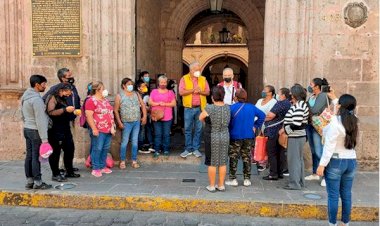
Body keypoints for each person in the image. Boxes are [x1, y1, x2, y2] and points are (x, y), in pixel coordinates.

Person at [316, 94, 358, 226]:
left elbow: (329, 146)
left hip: (335, 160)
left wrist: (322, 165)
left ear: (340, 106)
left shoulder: (335, 121)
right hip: (350, 160)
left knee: (333, 195)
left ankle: (332, 223)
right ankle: (345, 223)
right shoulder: (355, 120)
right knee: (346, 194)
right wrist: (335, 101)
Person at [43, 68, 81, 176]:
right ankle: (56, 173)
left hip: (65, 126)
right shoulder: (53, 96)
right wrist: (65, 110)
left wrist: (76, 110)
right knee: (56, 152)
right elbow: (50, 111)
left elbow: (75, 100)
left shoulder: (67, 93)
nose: (70, 95)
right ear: (62, 90)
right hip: (55, 128)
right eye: (68, 93)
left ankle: (69, 171)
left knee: (69, 148)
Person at [226, 88, 265, 187]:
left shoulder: (231, 108)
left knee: (233, 157)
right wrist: (256, 126)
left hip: (235, 136)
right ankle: (247, 179)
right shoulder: (251, 107)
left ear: (235, 97)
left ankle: (233, 178)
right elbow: (262, 115)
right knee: (247, 157)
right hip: (248, 136)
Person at [21, 75, 52, 189]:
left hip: (27, 129)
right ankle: (38, 182)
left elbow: (22, 114)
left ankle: (30, 181)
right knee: (35, 157)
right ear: (37, 85)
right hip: (35, 131)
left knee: (29, 156)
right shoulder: (37, 100)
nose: (45, 86)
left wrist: (27, 123)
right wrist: (44, 139)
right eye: (43, 84)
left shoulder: (25, 96)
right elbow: (40, 120)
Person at [199, 86, 230, 192]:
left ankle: (212, 186)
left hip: (212, 136)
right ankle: (221, 185)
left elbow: (201, 118)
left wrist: (208, 122)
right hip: (225, 136)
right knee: (222, 161)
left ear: (212, 97)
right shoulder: (228, 107)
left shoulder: (209, 108)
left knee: (212, 162)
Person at [280, 84, 309, 190]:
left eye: (291, 93)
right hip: (298, 136)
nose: (290, 94)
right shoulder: (299, 104)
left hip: (296, 136)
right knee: (298, 160)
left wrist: (285, 130)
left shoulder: (299, 105)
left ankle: (294, 183)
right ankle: (299, 182)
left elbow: (297, 123)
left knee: (293, 160)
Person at [179, 61, 210, 158]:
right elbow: (181, 92)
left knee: (199, 129)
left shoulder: (203, 79)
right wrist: (193, 90)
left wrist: (201, 91)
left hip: (200, 108)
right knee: (187, 129)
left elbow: (208, 92)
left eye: (199, 69)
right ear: (191, 70)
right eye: (197, 69)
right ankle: (188, 148)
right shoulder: (184, 79)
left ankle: (196, 148)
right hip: (188, 108)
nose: (199, 71)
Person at [114, 78, 147, 169]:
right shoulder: (119, 96)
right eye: (128, 84)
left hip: (136, 121)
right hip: (126, 122)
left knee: (135, 141)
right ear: (124, 85)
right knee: (124, 142)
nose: (130, 86)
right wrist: (119, 122)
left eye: (131, 84)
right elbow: (116, 110)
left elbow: (143, 105)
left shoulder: (136, 94)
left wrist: (144, 116)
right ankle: (122, 160)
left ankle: (134, 160)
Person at [85, 81, 115, 177]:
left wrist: (112, 126)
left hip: (108, 129)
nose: (104, 90)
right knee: (97, 148)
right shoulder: (91, 101)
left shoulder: (104, 100)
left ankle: (102, 166)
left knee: (105, 148)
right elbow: (89, 116)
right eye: (102, 88)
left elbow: (110, 113)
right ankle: (96, 168)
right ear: (97, 90)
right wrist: (94, 129)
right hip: (98, 129)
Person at [262, 88, 292, 180]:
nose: (277, 95)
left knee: (272, 152)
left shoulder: (281, 103)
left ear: (283, 95)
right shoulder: (289, 104)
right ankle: (280, 172)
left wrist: (262, 118)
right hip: (282, 130)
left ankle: (273, 173)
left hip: (274, 131)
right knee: (280, 152)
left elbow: (270, 115)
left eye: (279, 93)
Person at [305, 77, 330, 187]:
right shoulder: (312, 96)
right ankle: (316, 173)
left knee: (320, 151)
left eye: (311, 84)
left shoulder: (323, 96)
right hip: (310, 124)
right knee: (314, 151)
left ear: (317, 86)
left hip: (318, 126)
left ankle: (326, 176)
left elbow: (315, 110)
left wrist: (305, 106)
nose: (310, 86)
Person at [149, 75, 176, 158]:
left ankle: (166, 150)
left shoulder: (170, 92)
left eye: (164, 82)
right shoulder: (154, 91)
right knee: (157, 134)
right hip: (156, 116)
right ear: (158, 82)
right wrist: (158, 103)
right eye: (161, 82)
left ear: (166, 83)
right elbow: (150, 102)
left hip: (167, 117)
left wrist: (165, 104)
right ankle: (157, 150)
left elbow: (173, 104)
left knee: (166, 134)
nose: (163, 84)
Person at [255, 85, 278, 171]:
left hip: (267, 126)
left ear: (271, 93)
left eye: (265, 90)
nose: (263, 92)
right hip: (257, 124)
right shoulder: (259, 100)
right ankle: (257, 158)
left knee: (265, 144)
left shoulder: (274, 102)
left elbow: (270, 115)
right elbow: (255, 110)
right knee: (258, 142)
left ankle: (264, 162)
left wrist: (261, 119)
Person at [136, 80, 154, 154]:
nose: (145, 88)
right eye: (143, 86)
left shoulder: (147, 96)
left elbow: (149, 106)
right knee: (141, 131)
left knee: (148, 129)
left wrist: (147, 108)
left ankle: (150, 144)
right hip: (138, 116)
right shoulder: (135, 95)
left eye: (145, 86)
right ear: (138, 88)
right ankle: (140, 146)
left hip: (146, 115)